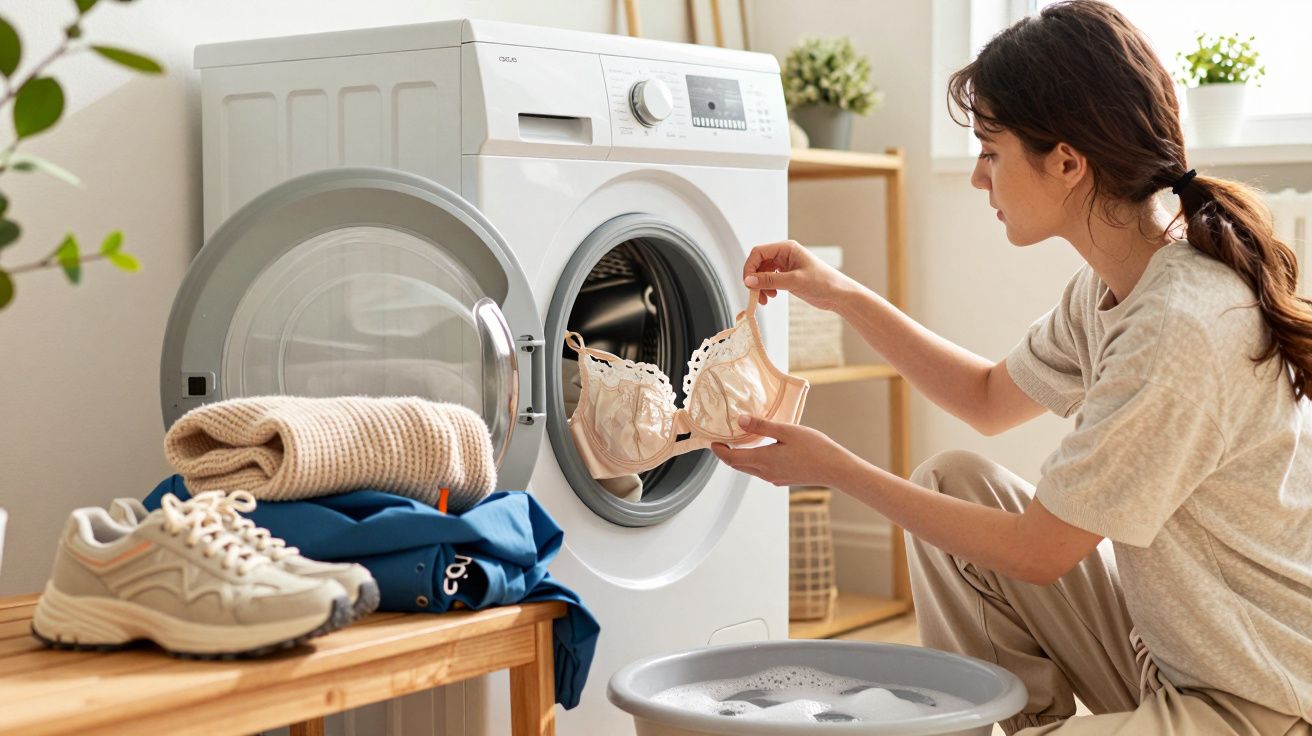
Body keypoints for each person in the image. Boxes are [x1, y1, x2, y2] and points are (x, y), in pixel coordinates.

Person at [711, 2, 1312, 733]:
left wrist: (834, 468)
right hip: (1171, 648)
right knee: (948, 482)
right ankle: (1026, 723)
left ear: (1066, 161)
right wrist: (840, 294)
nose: (976, 177)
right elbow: (989, 398)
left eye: (991, 151)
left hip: (1258, 698)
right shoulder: (1114, 285)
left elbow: (1039, 553)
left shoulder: (1179, 328)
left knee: (971, 516)